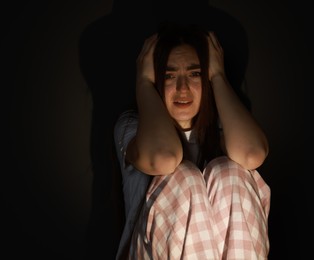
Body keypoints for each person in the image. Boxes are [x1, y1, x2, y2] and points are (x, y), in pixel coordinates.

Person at [113, 22, 271, 259]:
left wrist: (218, 75)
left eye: (195, 74)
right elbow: (163, 157)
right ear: (155, 79)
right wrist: (143, 84)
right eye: (169, 75)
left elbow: (252, 154)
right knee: (183, 177)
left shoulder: (224, 127)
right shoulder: (132, 126)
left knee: (230, 173)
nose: (182, 88)